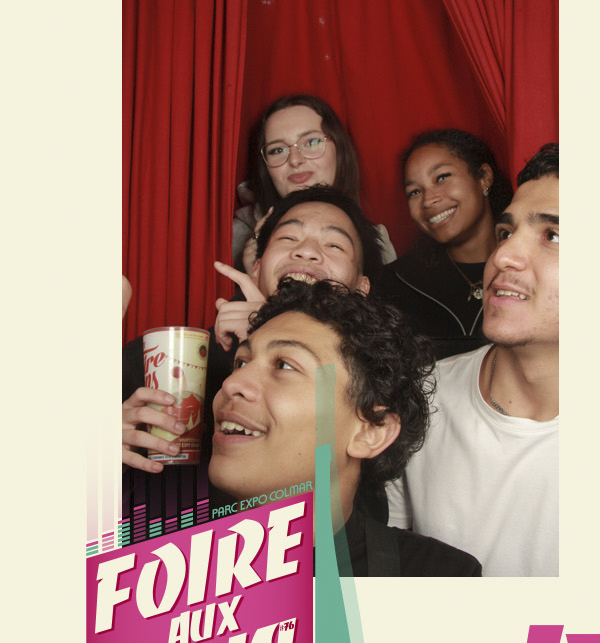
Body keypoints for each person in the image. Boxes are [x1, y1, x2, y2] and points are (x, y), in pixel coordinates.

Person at [209, 278, 480, 576]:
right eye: (241, 363)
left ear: (370, 432)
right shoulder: (169, 573)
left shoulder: (440, 580)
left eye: (284, 365)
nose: (231, 384)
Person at [121, 184, 383, 475]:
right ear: (256, 269)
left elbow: (344, 492)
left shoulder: (380, 375)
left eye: (334, 245)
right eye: (288, 237)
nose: (306, 251)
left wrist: (268, 332)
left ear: (361, 288)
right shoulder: (168, 355)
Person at [386, 144, 559, 577]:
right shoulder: (422, 394)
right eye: (505, 234)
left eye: (552, 236)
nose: (502, 256)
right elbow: (387, 562)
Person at [374, 129, 511, 360]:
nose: (428, 200)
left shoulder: (530, 267)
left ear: (484, 178)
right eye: (415, 191)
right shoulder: (395, 284)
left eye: (441, 178)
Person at [231, 95, 395, 270]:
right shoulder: (236, 237)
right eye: (277, 150)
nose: (295, 160)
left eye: (311, 142)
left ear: (339, 150)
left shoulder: (378, 240)